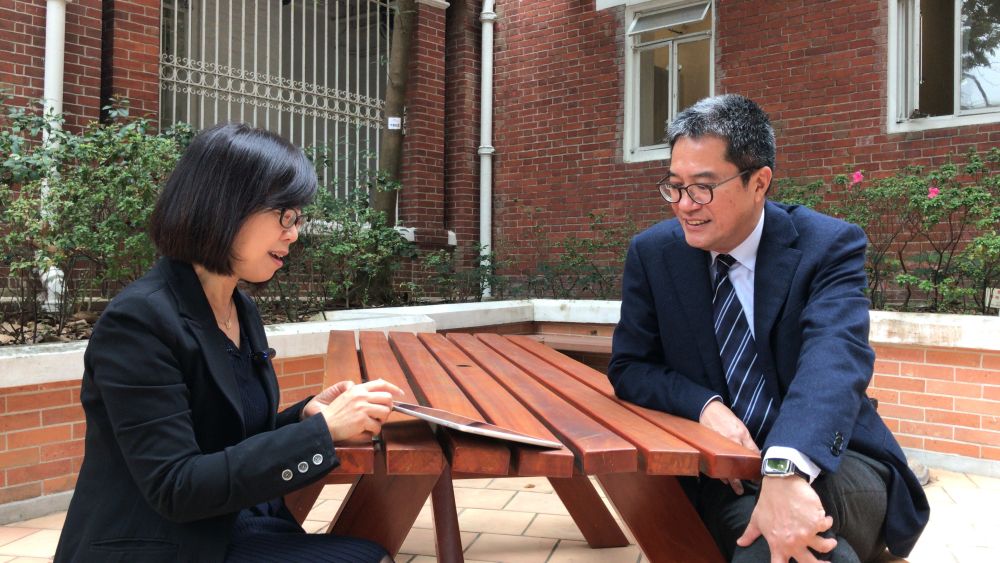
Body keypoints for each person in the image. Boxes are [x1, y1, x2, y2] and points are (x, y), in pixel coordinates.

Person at [55, 123, 403, 563]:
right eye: (285, 215)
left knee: (374, 553)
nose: (294, 233)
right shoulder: (139, 321)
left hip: (234, 524)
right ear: (226, 205)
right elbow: (176, 486)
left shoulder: (239, 307)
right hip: (164, 545)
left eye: (298, 218)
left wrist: (306, 416)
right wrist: (323, 432)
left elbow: (226, 438)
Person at [608, 94, 929, 563]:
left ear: (759, 183)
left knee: (779, 538)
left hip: (835, 461)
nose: (684, 205)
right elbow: (631, 366)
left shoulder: (827, 245)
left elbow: (834, 360)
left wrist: (784, 470)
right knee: (787, 546)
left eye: (703, 187)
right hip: (725, 471)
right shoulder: (654, 254)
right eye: (674, 186)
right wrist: (705, 406)